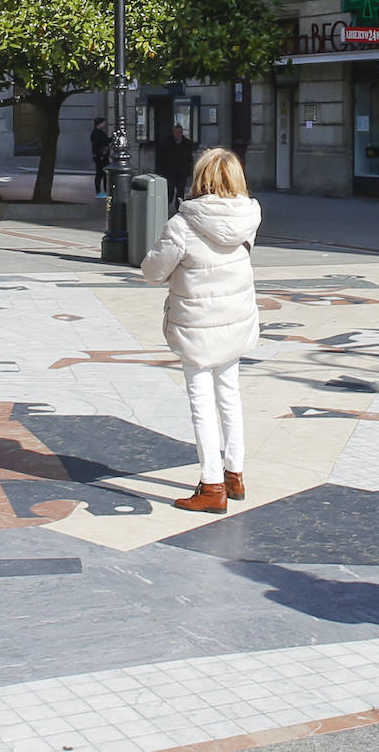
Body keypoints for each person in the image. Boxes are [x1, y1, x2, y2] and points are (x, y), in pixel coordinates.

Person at [141, 148, 260, 514]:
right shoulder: (249, 215)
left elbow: (153, 272)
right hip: (235, 320)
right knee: (230, 394)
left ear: (201, 179)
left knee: (202, 402)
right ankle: (234, 474)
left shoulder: (183, 224)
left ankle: (211, 486)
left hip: (196, 326)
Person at [157, 123, 195, 208]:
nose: (177, 134)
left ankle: (178, 207)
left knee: (180, 190)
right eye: (175, 132)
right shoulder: (167, 143)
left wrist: (189, 170)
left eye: (179, 132)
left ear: (182, 133)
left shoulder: (187, 143)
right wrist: (161, 169)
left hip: (182, 172)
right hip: (169, 171)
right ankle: (166, 206)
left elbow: (190, 158)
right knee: (169, 189)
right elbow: (161, 157)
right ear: (173, 133)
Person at [90, 116, 110, 199]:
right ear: (100, 123)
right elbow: (96, 146)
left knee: (104, 174)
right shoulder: (95, 133)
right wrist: (100, 155)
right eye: (103, 123)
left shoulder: (99, 132)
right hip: (100, 156)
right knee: (100, 174)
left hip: (102, 156)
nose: (104, 124)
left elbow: (106, 141)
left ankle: (104, 191)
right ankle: (99, 192)